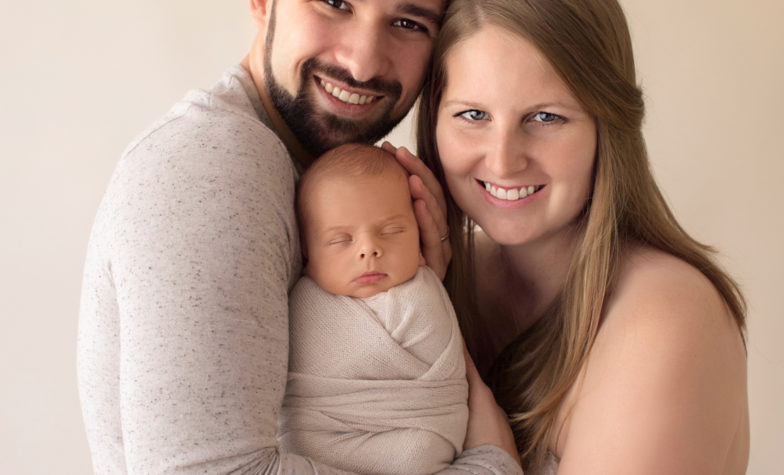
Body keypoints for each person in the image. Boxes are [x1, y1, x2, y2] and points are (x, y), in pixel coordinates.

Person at [77, 0, 520, 473]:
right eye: (334, 3)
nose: (363, 62)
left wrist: (416, 292)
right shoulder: (217, 164)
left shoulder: (322, 178)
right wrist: (490, 466)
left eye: (408, 23)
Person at [415, 0, 750, 473]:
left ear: (606, 123)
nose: (504, 159)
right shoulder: (437, 278)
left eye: (546, 117)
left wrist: (491, 454)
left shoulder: (668, 316)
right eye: (473, 115)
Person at [283, 143, 467, 474]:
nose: (369, 249)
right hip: (313, 437)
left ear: (421, 238)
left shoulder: (421, 297)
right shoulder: (297, 301)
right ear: (306, 252)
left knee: (417, 452)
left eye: (391, 232)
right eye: (341, 240)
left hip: (416, 437)